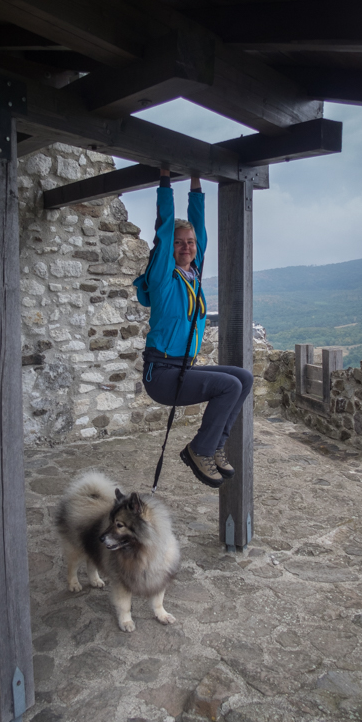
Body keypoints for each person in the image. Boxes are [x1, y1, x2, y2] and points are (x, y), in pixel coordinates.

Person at [133, 169, 253, 489]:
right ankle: (198, 449)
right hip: (162, 373)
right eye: (179, 243)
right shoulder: (163, 278)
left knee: (243, 378)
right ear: (169, 249)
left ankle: (213, 445)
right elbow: (163, 228)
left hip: (184, 368)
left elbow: (199, 226)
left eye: (190, 243)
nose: (186, 247)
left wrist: (196, 181)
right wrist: (164, 181)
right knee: (228, 386)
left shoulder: (194, 276)